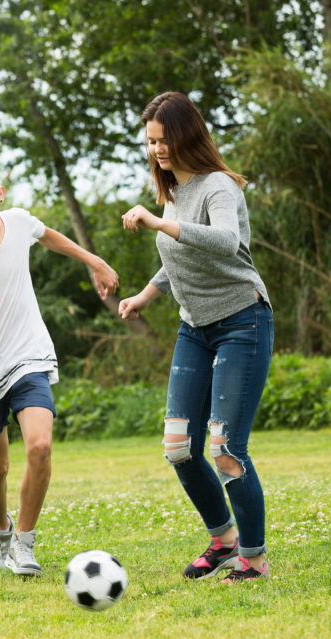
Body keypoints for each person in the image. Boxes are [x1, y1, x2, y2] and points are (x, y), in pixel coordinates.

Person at [0, 157, 118, 576]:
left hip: (27, 355)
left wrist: (94, 261)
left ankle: (25, 542)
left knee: (40, 445)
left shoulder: (17, 222)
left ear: (1, 194)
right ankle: (2, 528)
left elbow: (49, 237)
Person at [118, 91, 273, 583]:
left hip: (242, 321)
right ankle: (224, 542)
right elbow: (179, 255)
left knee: (226, 446)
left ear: (186, 133)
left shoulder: (217, 188)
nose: (157, 150)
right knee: (179, 446)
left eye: (163, 139)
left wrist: (159, 220)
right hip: (195, 327)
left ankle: (253, 559)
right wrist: (146, 294)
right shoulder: (174, 192)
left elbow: (226, 243)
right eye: (150, 142)